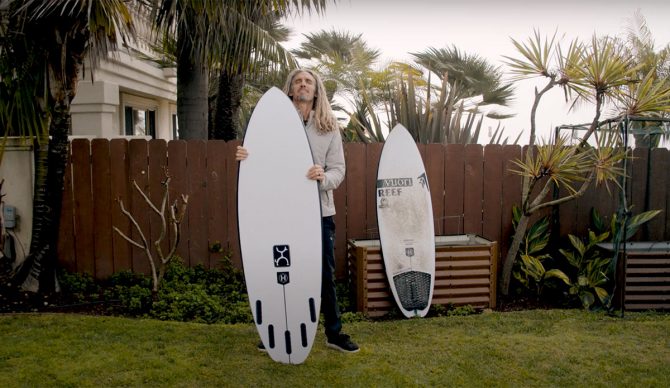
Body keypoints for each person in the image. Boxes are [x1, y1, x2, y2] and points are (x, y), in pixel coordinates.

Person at [235, 68, 359, 353]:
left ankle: (334, 333)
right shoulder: (273, 124)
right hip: (280, 212)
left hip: (319, 214)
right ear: (290, 89)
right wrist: (246, 156)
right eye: (298, 82)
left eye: (308, 82)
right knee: (281, 269)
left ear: (316, 91)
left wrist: (322, 177)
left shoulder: (328, 126)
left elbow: (338, 170)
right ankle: (277, 330)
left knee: (324, 275)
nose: (303, 86)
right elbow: (261, 162)